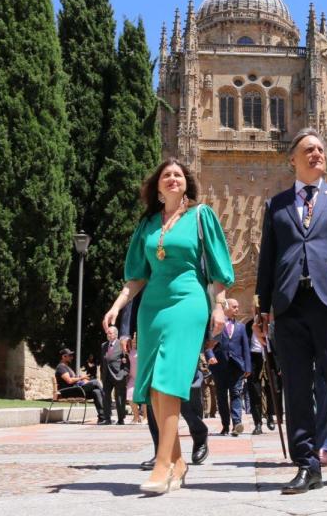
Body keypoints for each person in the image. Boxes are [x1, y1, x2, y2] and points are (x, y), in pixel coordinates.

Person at [102, 157, 234, 495]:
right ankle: (177, 461)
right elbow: (136, 276)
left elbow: (219, 266)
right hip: (153, 306)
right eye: (166, 175)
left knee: (169, 379)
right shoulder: (147, 224)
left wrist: (219, 306)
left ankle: (162, 465)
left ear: (187, 183)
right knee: (155, 388)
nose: (172, 179)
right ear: (157, 186)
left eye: (178, 175)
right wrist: (117, 307)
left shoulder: (201, 216)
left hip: (188, 300)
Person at [253, 129, 327, 494]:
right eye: (309, 150)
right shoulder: (276, 205)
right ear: (293, 159)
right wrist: (261, 309)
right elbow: (267, 261)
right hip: (289, 304)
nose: (317, 154)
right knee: (296, 385)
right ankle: (307, 464)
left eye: (320, 149)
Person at [141, 355, 210, 470]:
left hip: (184, 339)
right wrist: (125, 336)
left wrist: (211, 340)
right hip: (152, 339)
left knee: (186, 394)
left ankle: (200, 436)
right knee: (155, 389)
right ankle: (161, 452)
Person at [209, 298, 251, 436]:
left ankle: (237, 423)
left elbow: (245, 347)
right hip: (219, 366)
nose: (237, 309)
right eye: (234, 306)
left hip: (236, 366)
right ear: (226, 307)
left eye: (238, 306)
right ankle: (225, 425)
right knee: (221, 396)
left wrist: (248, 367)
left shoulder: (241, 327)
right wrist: (210, 356)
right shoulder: (216, 325)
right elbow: (208, 343)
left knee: (236, 394)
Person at [55, 348, 105, 422]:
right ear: (63, 357)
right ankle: (108, 402)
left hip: (75, 390)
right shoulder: (61, 367)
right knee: (96, 382)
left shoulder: (67, 367)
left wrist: (82, 380)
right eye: (69, 355)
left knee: (96, 391)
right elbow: (69, 381)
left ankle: (102, 418)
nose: (72, 357)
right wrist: (82, 377)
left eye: (72, 355)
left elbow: (74, 380)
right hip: (67, 392)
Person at [101, 325, 130, 425]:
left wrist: (124, 373)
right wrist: (102, 375)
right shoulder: (104, 346)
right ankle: (107, 418)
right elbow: (103, 361)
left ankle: (121, 419)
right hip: (107, 376)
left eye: (110, 333)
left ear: (116, 334)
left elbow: (127, 361)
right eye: (107, 333)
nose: (108, 335)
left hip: (118, 375)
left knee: (120, 398)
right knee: (105, 397)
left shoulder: (121, 344)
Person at [127, 334, 146, 424]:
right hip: (132, 377)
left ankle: (146, 417)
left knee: (144, 398)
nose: (134, 343)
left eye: (135, 341)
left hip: (142, 377)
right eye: (133, 341)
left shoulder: (143, 350)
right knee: (130, 396)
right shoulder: (130, 351)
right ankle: (136, 417)